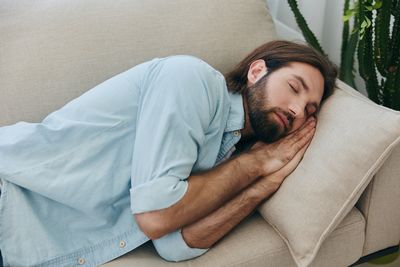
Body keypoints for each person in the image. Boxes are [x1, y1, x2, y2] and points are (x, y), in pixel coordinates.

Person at [0, 40, 337, 266]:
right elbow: (157, 215)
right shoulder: (191, 79)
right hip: (10, 192)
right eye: (294, 87)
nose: (297, 110)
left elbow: (173, 245)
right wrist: (256, 164)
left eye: (310, 110)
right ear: (256, 71)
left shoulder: (229, 156)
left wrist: (264, 184)